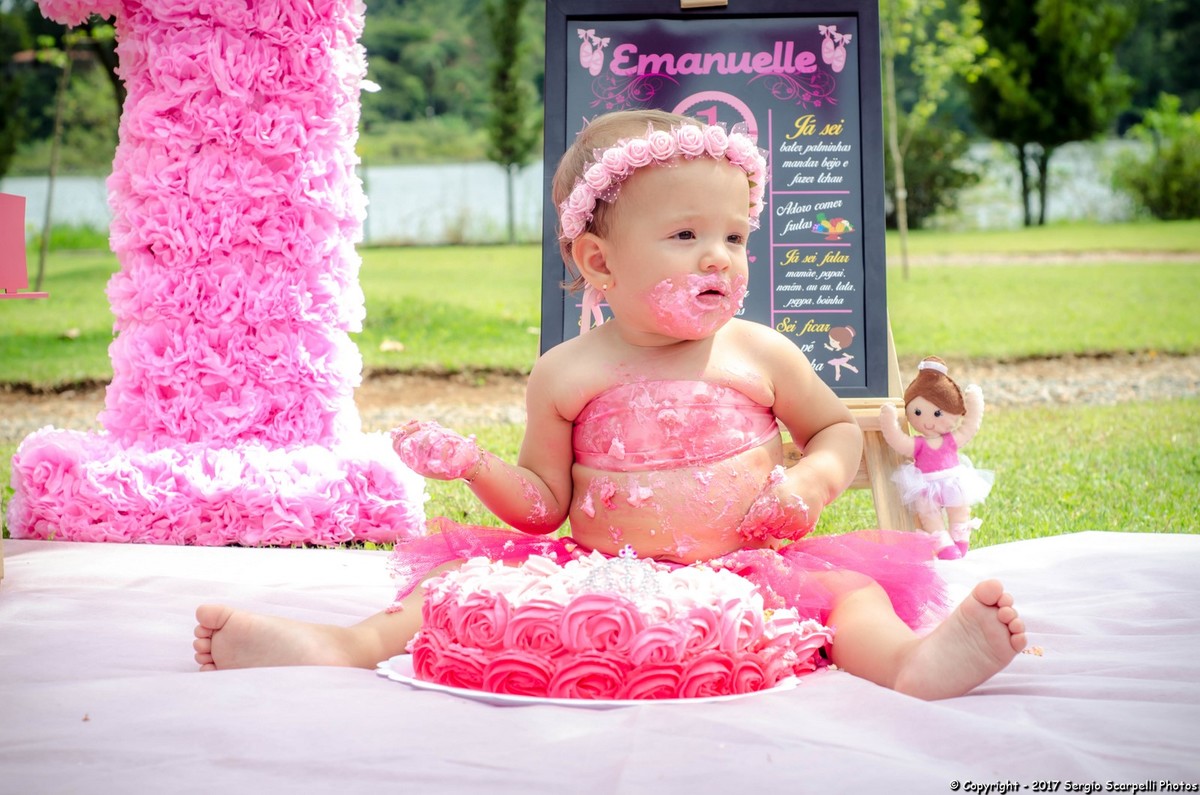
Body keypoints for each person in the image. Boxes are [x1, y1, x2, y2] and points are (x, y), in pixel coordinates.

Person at [194, 109, 1025, 700]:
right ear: (598, 262)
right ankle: (343, 644)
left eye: (735, 236)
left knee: (850, 595)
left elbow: (835, 428)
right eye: (686, 235)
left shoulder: (759, 352)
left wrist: (810, 482)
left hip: (744, 567)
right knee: (449, 584)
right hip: (602, 569)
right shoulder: (567, 372)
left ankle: (910, 663)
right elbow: (542, 506)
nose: (720, 257)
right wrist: (476, 465)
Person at [880, 357, 994, 559]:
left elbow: (969, 426)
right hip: (926, 485)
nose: (929, 422)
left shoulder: (950, 440)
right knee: (929, 515)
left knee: (959, 510)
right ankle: (943, 545)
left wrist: (974, 403)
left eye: (938, 413)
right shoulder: (919, 444)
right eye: (917, 412)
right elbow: (898, 440)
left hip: (952, 481)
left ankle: (960, 537)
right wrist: (889, 421)